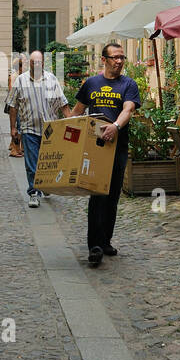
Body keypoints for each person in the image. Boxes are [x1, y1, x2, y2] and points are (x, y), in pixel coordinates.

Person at [68, 41, 140, 266]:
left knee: (112, 196)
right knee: (97, 195)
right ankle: (95, 246)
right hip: (95, 149)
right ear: (104, 60)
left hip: (117, 147)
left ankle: (106, 240)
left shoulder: (129, 84)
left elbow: (128, 109)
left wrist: (115, 126)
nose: (119, 61)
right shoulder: (91, 83)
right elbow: (77, 113)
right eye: (115, 57)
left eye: (122, 58)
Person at [7, 49, 67, 208]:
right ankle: (34, 192)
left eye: (39, 62)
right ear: (29, 64)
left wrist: (71, 121)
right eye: (34, 62)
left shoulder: (52, 79)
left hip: (50, 130)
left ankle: (46, 184)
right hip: (29, 129)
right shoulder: (21, 80)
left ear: (43, 63)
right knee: (32, 163)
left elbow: (63, 103)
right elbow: (13, 106)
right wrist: (13, 128)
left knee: (48, 162)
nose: (37, 64)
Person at [6, 52, 26, 157]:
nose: (27, 65)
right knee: (17, 128)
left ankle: (18, 148)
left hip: (22, 106)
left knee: (20, 127)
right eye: (25, 63)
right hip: (16, 106)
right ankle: (14, 149)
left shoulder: (22, 76)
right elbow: (12, 92)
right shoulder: (14, 76)